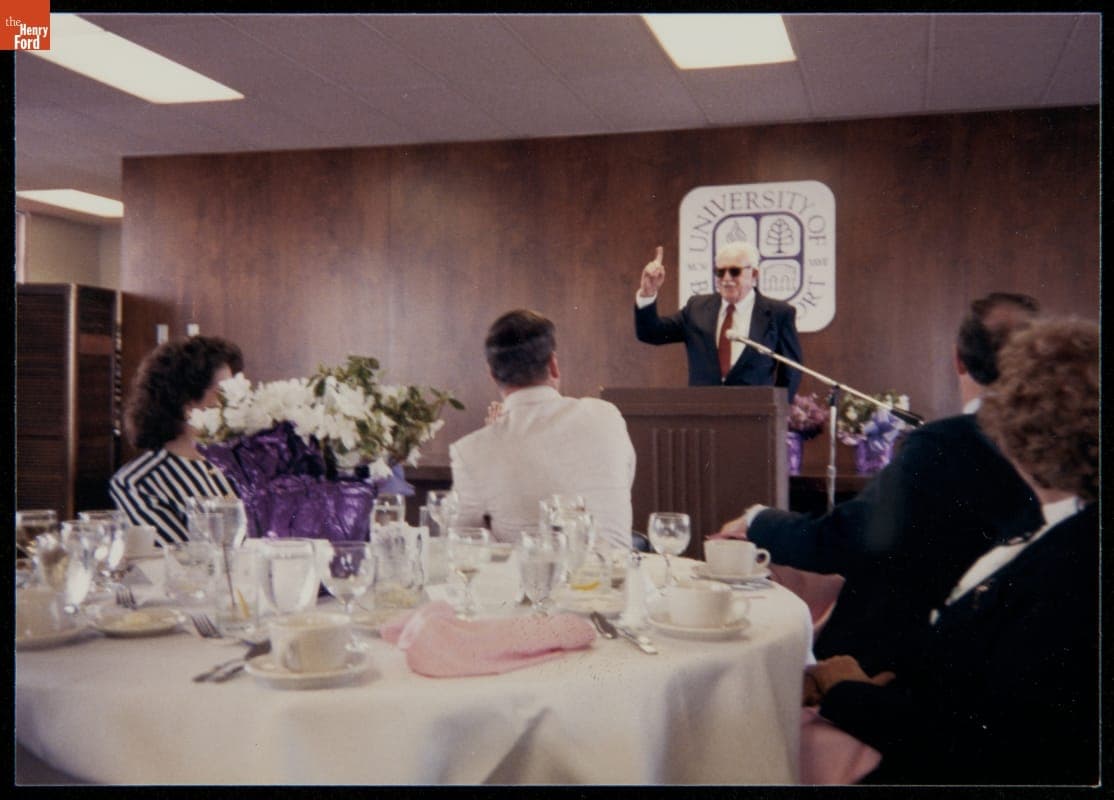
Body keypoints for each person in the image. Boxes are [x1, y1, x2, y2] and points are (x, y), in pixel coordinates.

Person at [807, 317, 1099, 784]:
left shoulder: (1067, 571)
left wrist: (845, 692)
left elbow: (980, 742)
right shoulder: (1069, 535)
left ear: (1014, 427)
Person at [708, 292, 1043, 674]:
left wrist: (756, 521)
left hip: (908, 673)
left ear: (957, 358)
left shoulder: (944, 445)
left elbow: (843, 541)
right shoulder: (1060, 452)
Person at [449, 310, 636, 550]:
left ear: (493, 375)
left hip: (529, 581)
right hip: (617, 581)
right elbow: (618, 487)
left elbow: (464, 544)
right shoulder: (607, 416)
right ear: (553, 365)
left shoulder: (470, 451)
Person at [110, 336, 243, 544]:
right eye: (225, 394)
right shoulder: (138, 482)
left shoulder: (240, 465)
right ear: (187, 402)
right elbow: (179, 561)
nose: (238, 401)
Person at [634, 242, 803, 400]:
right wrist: (647, 293)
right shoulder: (697, 308)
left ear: (754, 274)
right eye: (720, 272)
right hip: (703, 416)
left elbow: (791, 369)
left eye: (734, 271)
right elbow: (651, 333)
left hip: (755, 420)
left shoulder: (778, 313)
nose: (726, 278)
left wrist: (778, 409)